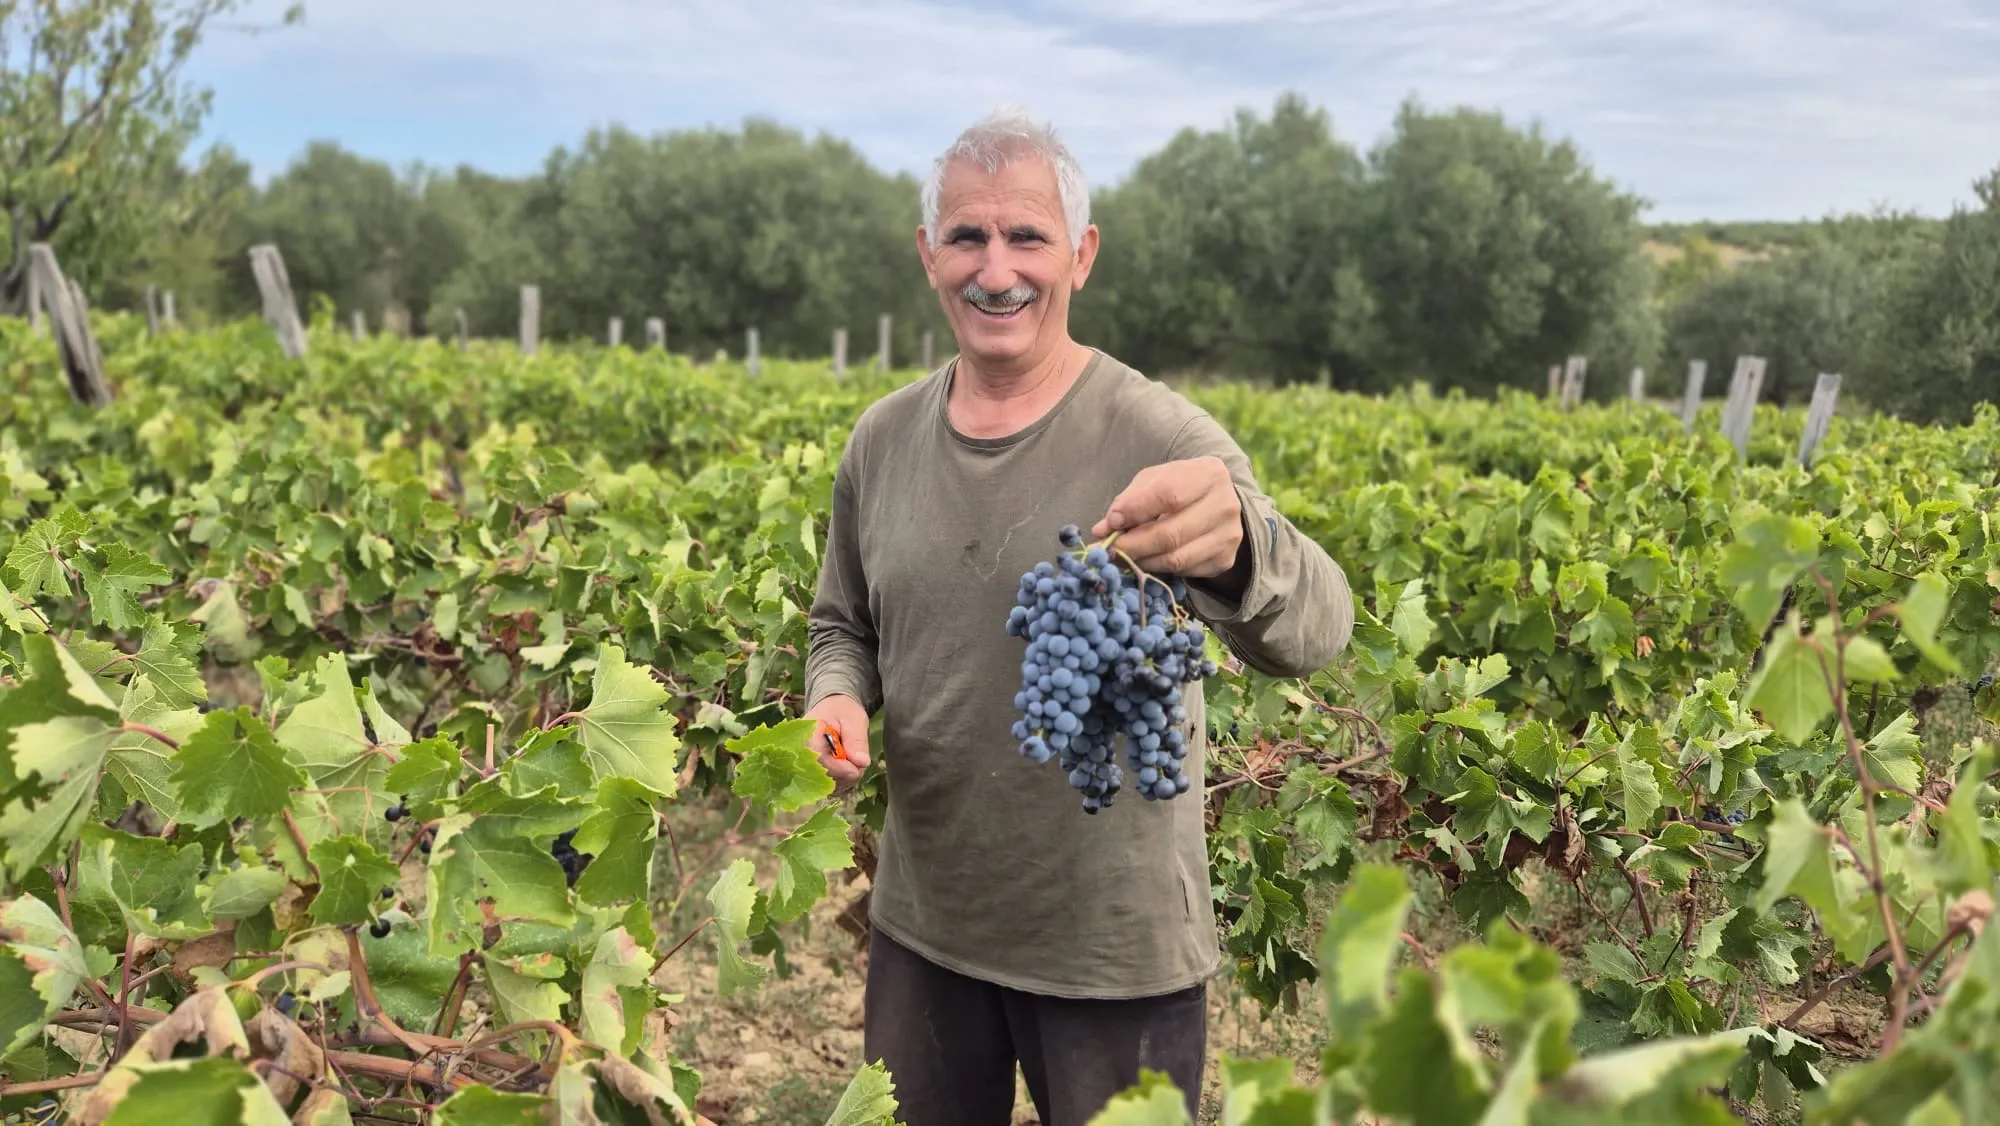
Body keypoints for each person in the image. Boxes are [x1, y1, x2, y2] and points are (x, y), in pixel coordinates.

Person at [800, 105, 1355, 1126]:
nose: (994, 266)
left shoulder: (1156, 430)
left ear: (1081, 256)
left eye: (1027, 237)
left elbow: (1317, 628)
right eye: (967, 236)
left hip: (1112, 949)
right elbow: (841, 621)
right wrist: (836, 698)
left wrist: (1236, 542)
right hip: (925, 928)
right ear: (928, 255)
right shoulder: (879, 442)